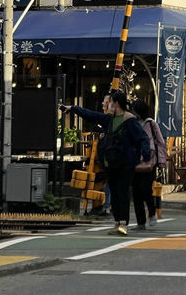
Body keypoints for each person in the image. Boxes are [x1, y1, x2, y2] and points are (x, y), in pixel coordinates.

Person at [65, 89, 150, 236]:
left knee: (122, 192)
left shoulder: (130, 121)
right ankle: (117, 222)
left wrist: (146, 155)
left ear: (116, 103)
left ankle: (123, 223)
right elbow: (91, 115)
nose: (109, 104)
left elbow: (143, 138)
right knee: (115, 192)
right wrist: (73, 109)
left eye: (110, 102)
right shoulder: (109, 119)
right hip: (110, 163)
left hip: (125, 164)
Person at [131, 99, 167, 230]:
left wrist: (162, 161)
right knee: (136, 192)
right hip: (134, 161)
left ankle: (152, 213)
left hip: (149, 161)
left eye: (134, 110)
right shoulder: (132, 123)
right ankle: (140, 222)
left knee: (145, 189)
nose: (133, 112)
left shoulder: (151, 123)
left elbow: (160, 142)